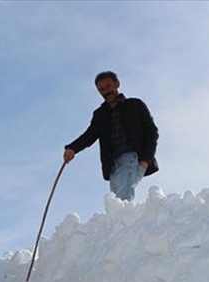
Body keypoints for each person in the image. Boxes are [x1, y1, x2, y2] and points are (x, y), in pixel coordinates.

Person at [63, 71, 159, 201]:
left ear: (117, 84)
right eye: (101, 89)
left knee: (122, 199)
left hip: (132, 157)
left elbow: (151, 131)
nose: (105, 91)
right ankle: (122, 220)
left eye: (108, 86)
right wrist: (72, 148)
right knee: (115, 201)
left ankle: (125, 219)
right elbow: (89, 136)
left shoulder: (135, 105)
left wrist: (146, 159)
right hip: (112, 165)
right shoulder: (100, 114)